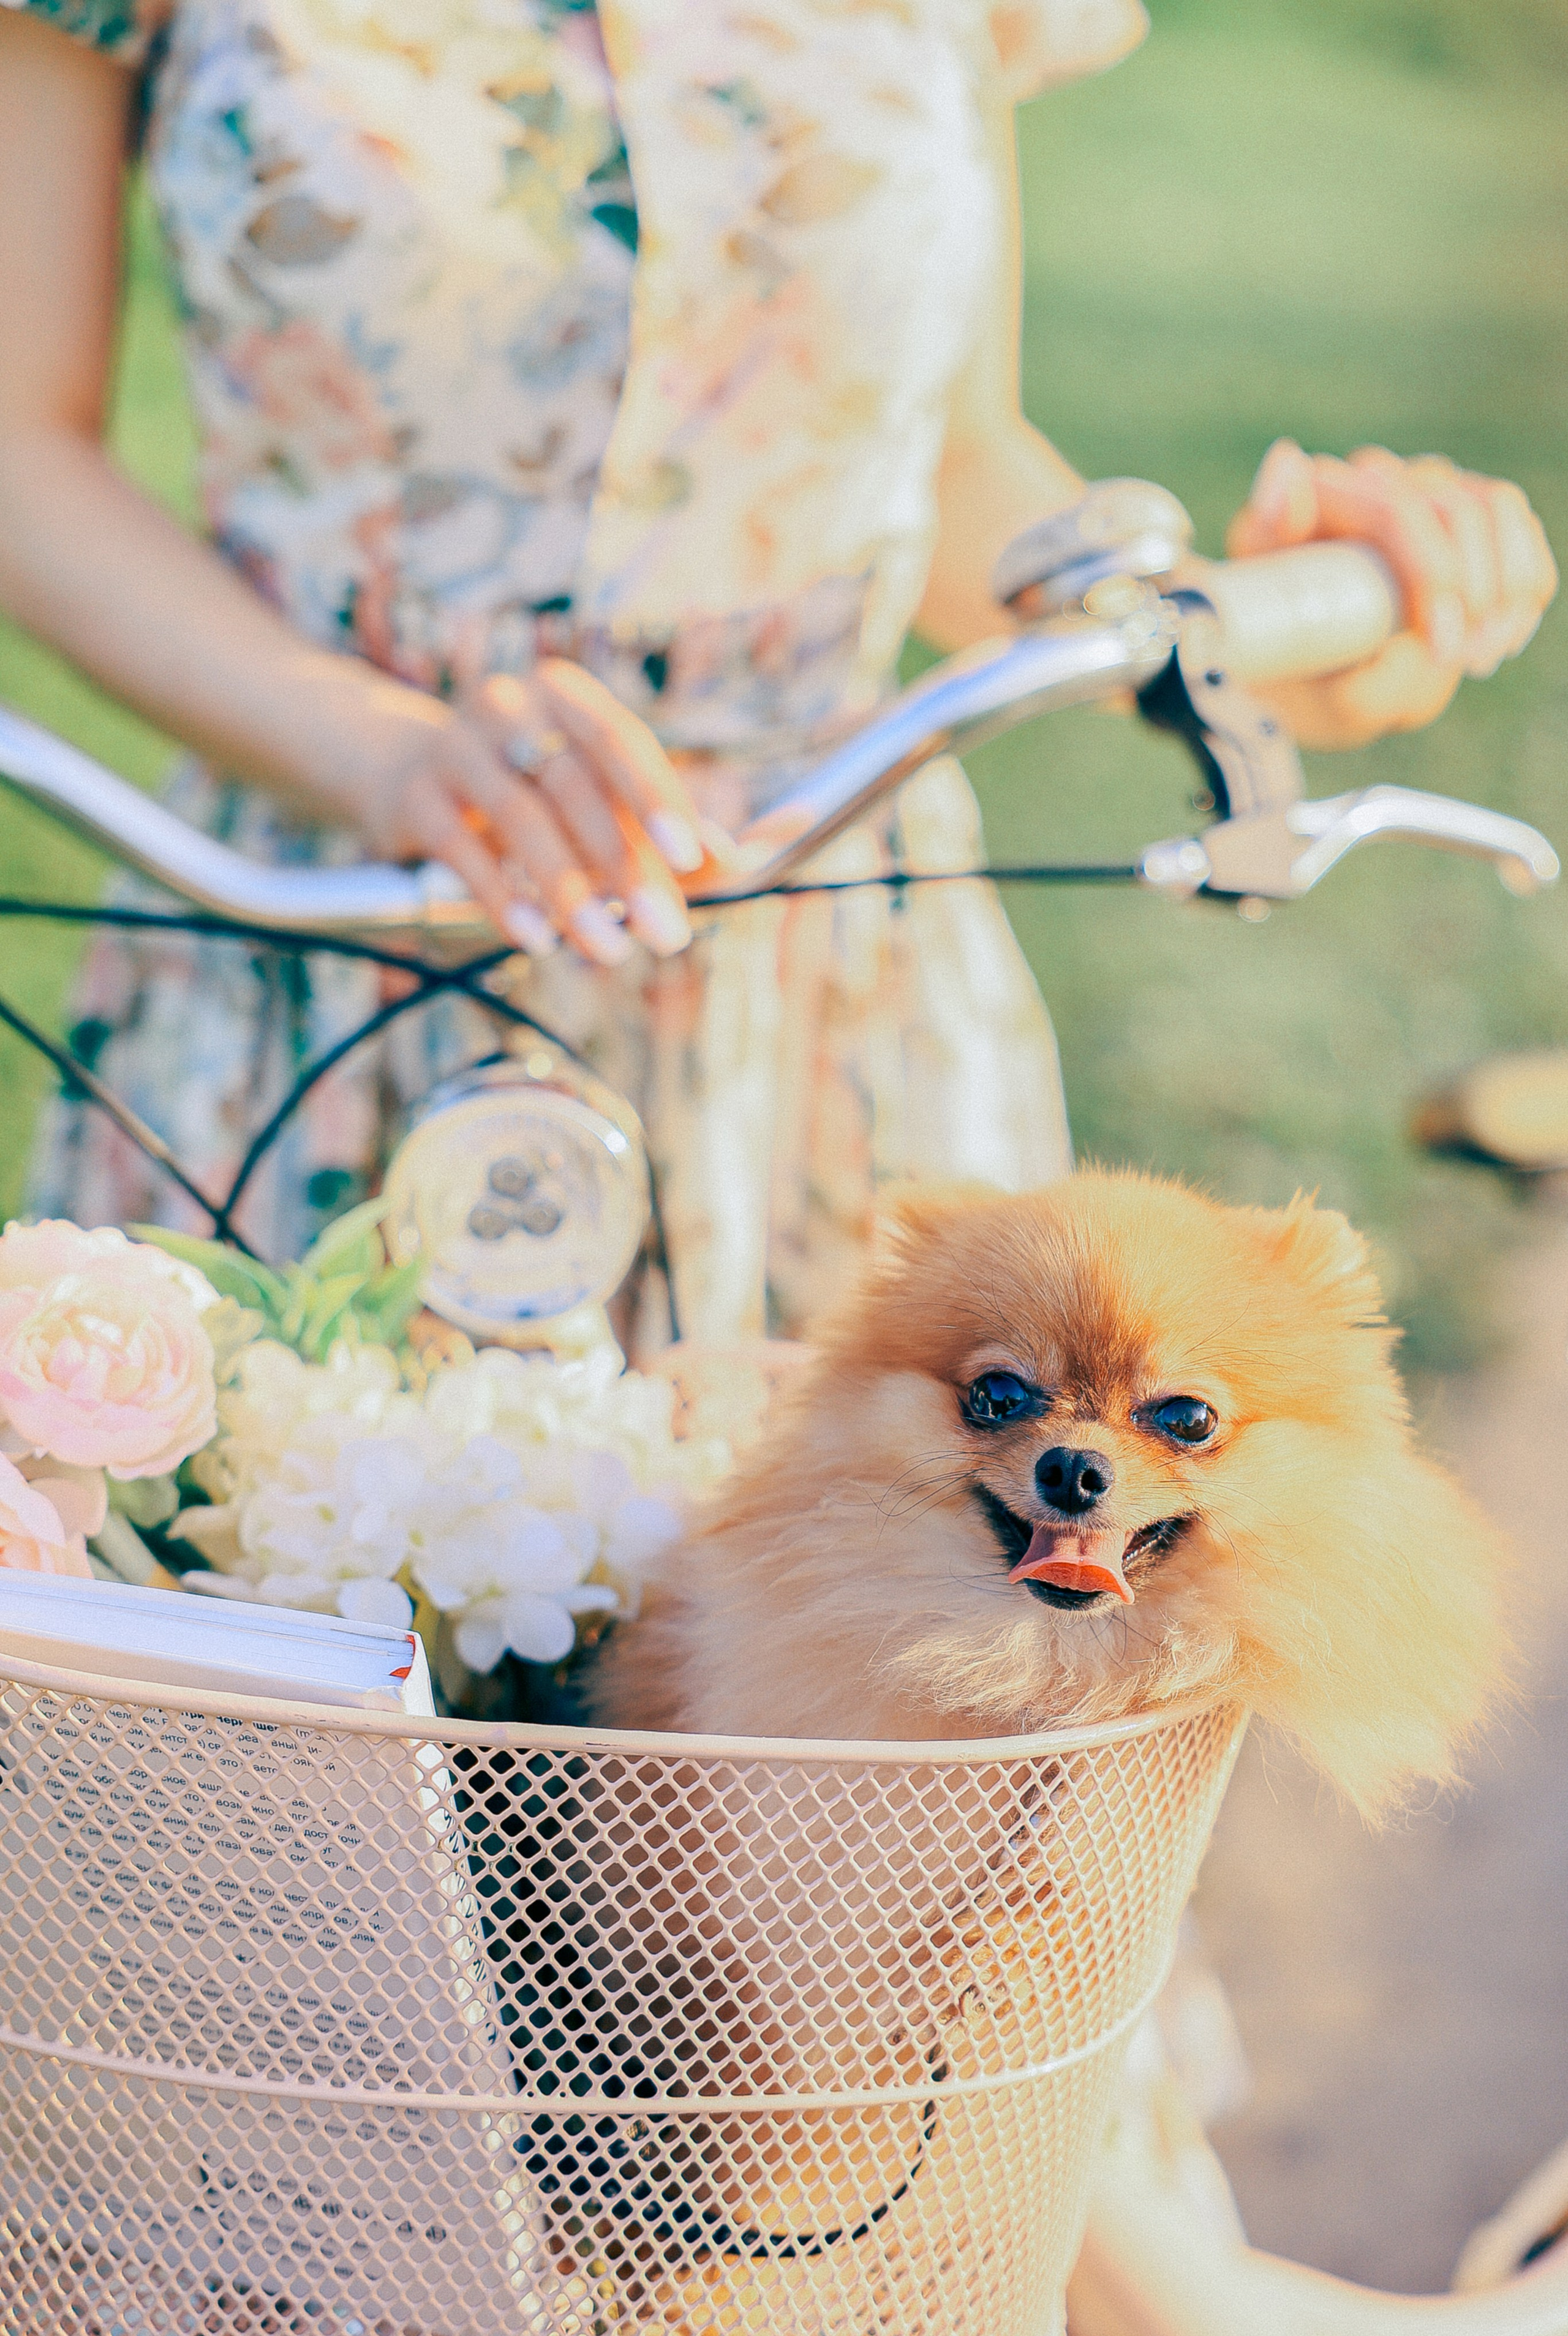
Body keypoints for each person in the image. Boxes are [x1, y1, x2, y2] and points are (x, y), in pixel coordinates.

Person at [0, 0, 1555, 1351]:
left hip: (824, 966)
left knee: (865, 1644)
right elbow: (22, 446)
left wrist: (1237, 650)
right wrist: (388, 750)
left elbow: (946, 467)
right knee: (282, 1629)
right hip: (333, 926)